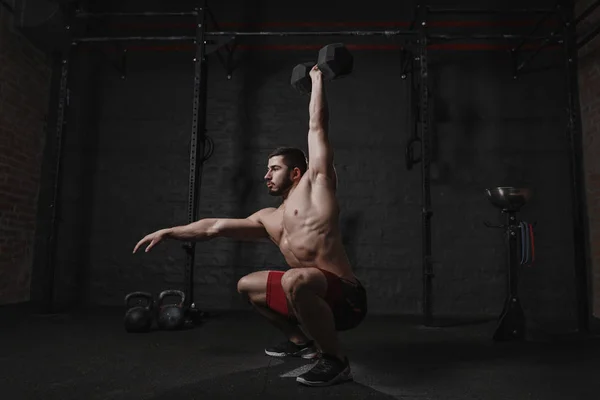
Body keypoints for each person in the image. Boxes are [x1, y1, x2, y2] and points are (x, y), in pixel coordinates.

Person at [133, 65, 367, 387]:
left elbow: (317, 127)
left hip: (346, 300)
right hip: (307, 293)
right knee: (248, 286)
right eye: (267, 170)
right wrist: (169, 231)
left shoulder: (318, 185)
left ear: (297, 172)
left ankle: (336, 361)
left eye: (274, 169)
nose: (267, 176)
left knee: (294, 278)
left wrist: (317, 80)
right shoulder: (268, 217)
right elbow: (214, 226)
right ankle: (302, 342)